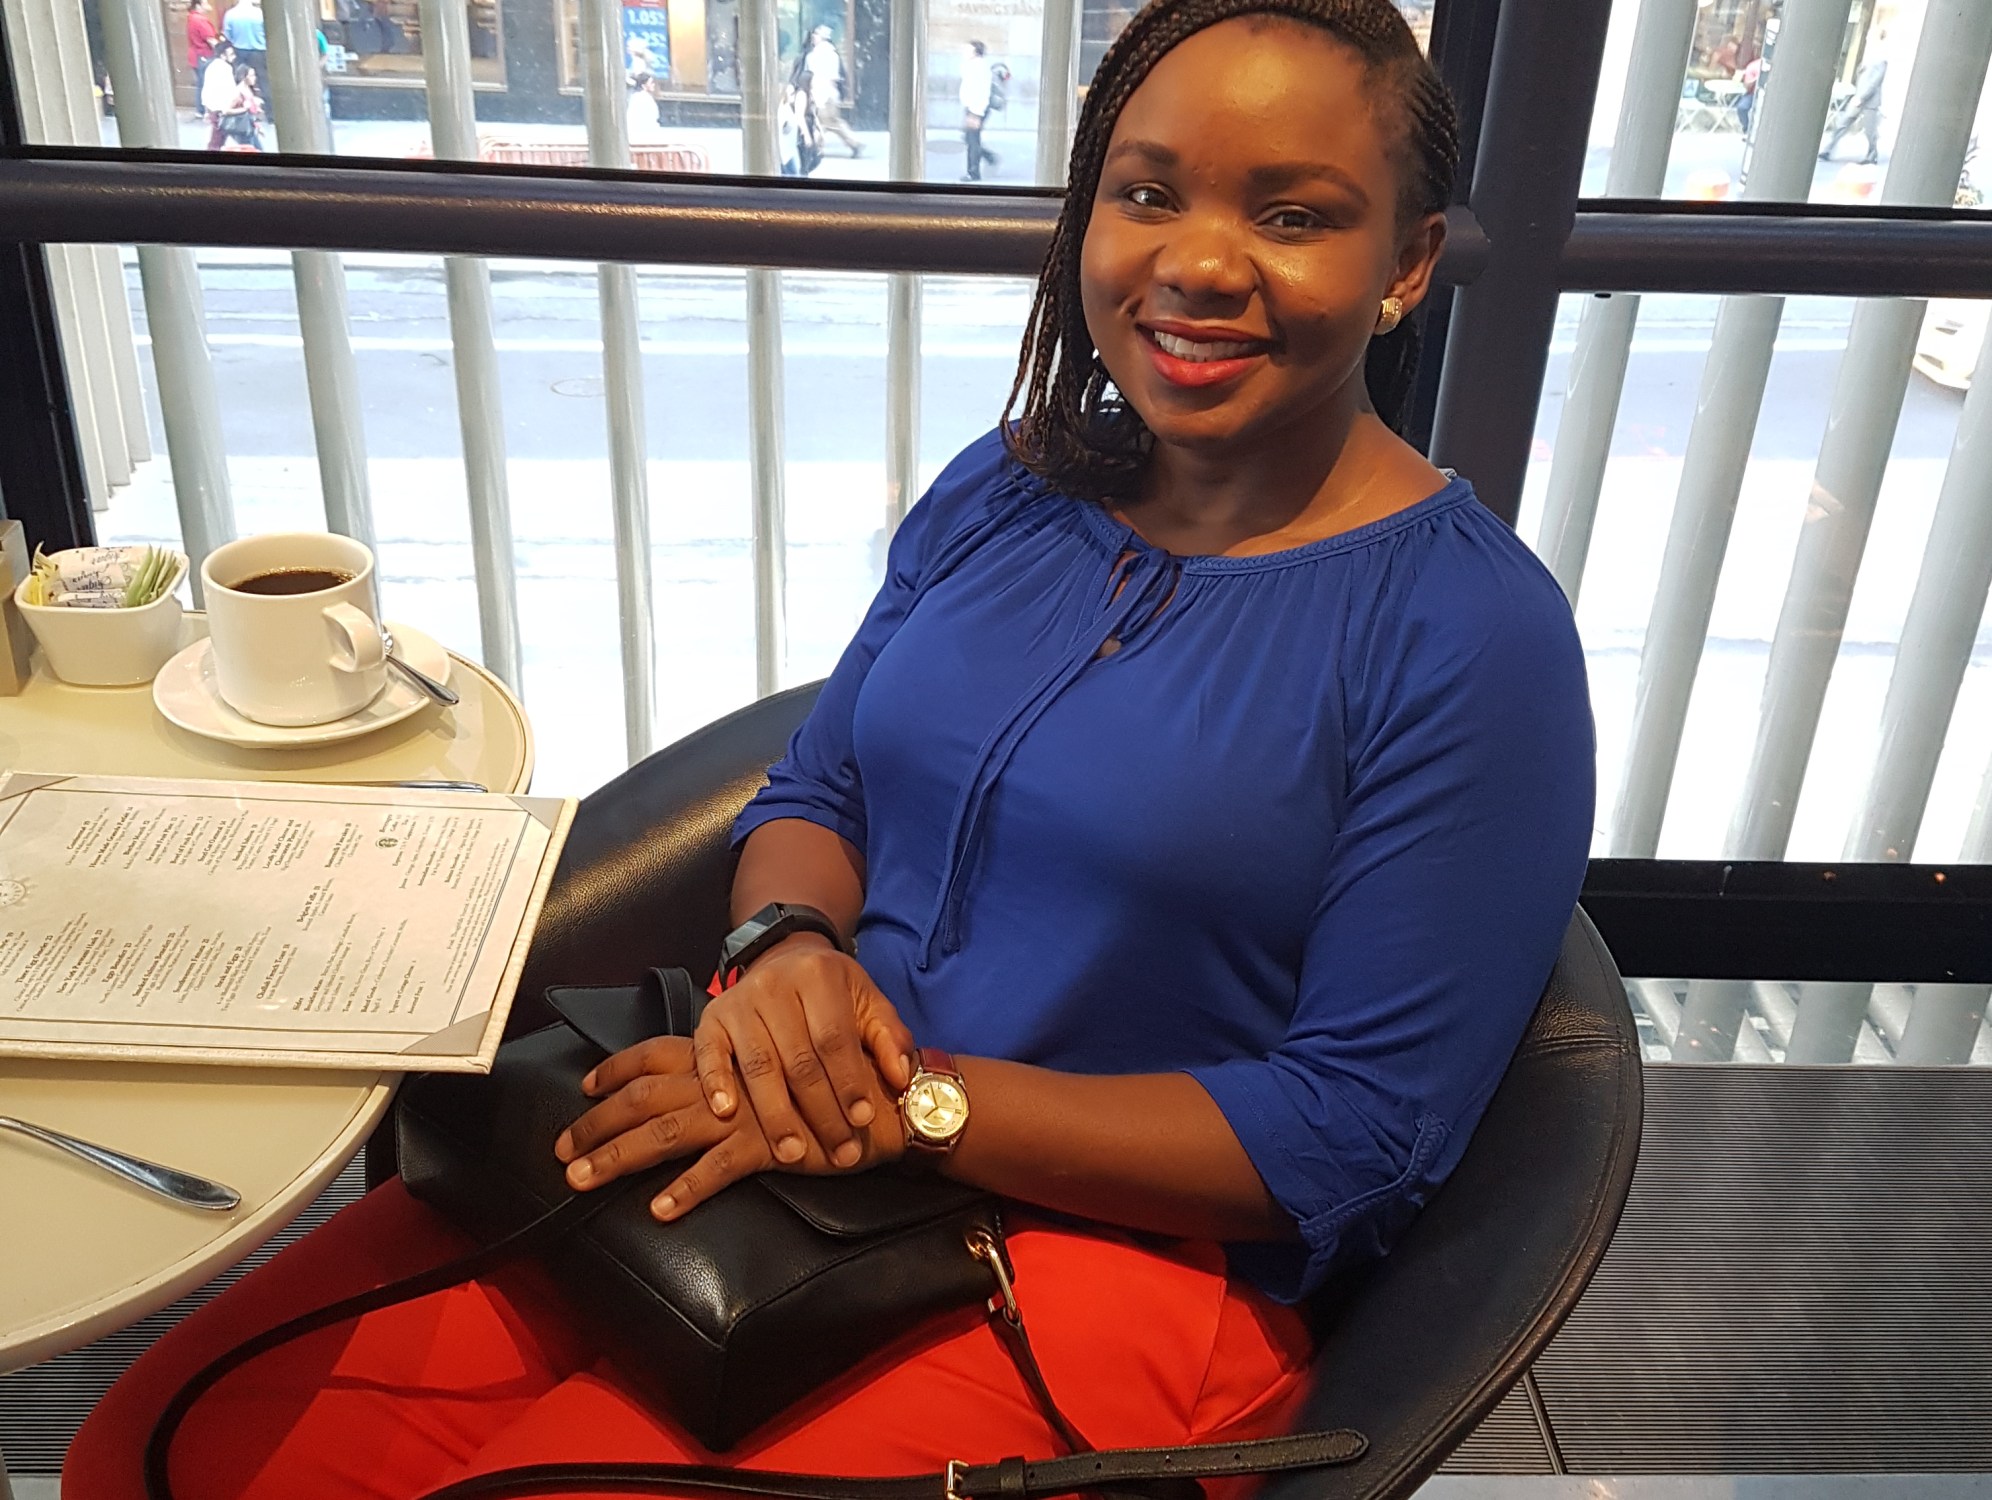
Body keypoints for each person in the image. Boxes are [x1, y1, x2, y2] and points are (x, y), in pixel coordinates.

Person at [67, 2, 1595, 1494]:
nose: (1197, 261)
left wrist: (905, 1106)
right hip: (790, 1123)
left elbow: (1352, 1137)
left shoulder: (1471, 638)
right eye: (1147, 195)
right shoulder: (1013, 487)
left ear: (1405, 265)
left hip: (1118, 1266)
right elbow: (824, 785)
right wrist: (788, 947)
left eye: (1293, 215)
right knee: (150, 1454)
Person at [1822, 28, 1890, 164]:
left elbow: (1874, 81)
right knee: (1843, 123)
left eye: (1870, 35)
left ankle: (1872, 155)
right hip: (1859, 97)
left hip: (1869, 101)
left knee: (1870, 131)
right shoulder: (1870, 53)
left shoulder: (1881, 56)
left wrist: (1861, 97)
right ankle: (1827, 150)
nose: (1867, 37)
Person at [799, 23, 861, 157]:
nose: (814, 36)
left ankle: (818, 148)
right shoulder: (831, 54)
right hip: (827, 94)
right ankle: (818, 147)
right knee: (828, 122)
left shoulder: (816, 55)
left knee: (826, 122)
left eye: (817, 34)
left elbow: (817, 76)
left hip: (822, 94)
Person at [959, 38, 1000, 180]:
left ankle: (973, 172)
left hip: (976, 109)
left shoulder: (979, 67)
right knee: (969, 138)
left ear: (976, 52)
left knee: (972, 140)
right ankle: (989, 157)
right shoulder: (971, 65)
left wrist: (976, 113)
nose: (964, 51)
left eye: (967, 49)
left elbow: (982, 91)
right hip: (972, 107)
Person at [199, 40, 239, 150]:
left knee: (217, 138)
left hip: (213, 106)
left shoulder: (211, 66)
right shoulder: (226, 68)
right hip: (222, 107)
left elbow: (206, 88)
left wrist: (206, 109)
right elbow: (231, 89)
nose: (234, 57)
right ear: (223, 55)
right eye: (231, 54)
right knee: (217, 140)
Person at [221, 0, 267, 90]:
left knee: (241, 78)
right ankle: (265, 97)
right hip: (259, 51)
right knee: (262, 78)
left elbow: (227, 34)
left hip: (239, 50)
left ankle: (244, 96)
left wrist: (235, 41)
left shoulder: (230, 14)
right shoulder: (259, 14)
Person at [626, 69, 665, 143]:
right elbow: (650, 120)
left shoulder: (635, 97)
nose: (654, 85)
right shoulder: (644, 98)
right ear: (643, 85)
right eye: (651, 83)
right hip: (644, 136)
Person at [185, 0, 220, 77]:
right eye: (205, 3)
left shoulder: (191, 17)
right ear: (198, 6)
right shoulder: (200, 20)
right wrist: (221, 51)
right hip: (204, 56)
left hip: (196, 57)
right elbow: (211, 40)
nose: (208, 5)